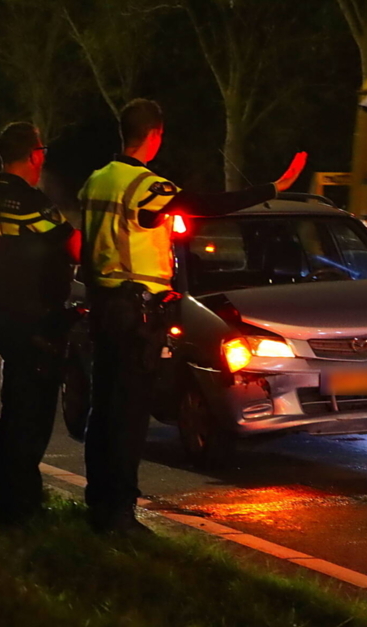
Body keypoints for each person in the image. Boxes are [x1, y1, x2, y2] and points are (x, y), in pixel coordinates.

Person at [79, 98, 306, 534]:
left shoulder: (96, 181)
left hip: (106, 307)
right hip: (137, 313)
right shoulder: (145, 185)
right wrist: (274, 187)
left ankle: (97, 502)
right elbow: (206, 203)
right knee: (129, 417)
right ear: (155, 135)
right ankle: (119, 514)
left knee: (103, 410)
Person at [0, 122, 80, 525]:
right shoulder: (31, 202)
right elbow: (74, 247)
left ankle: (1, 493)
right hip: (35, 319)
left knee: (12, 411)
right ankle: (20, 507)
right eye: (42, 151)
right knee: (33, 416)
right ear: (35, 155)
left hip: (8, 314)